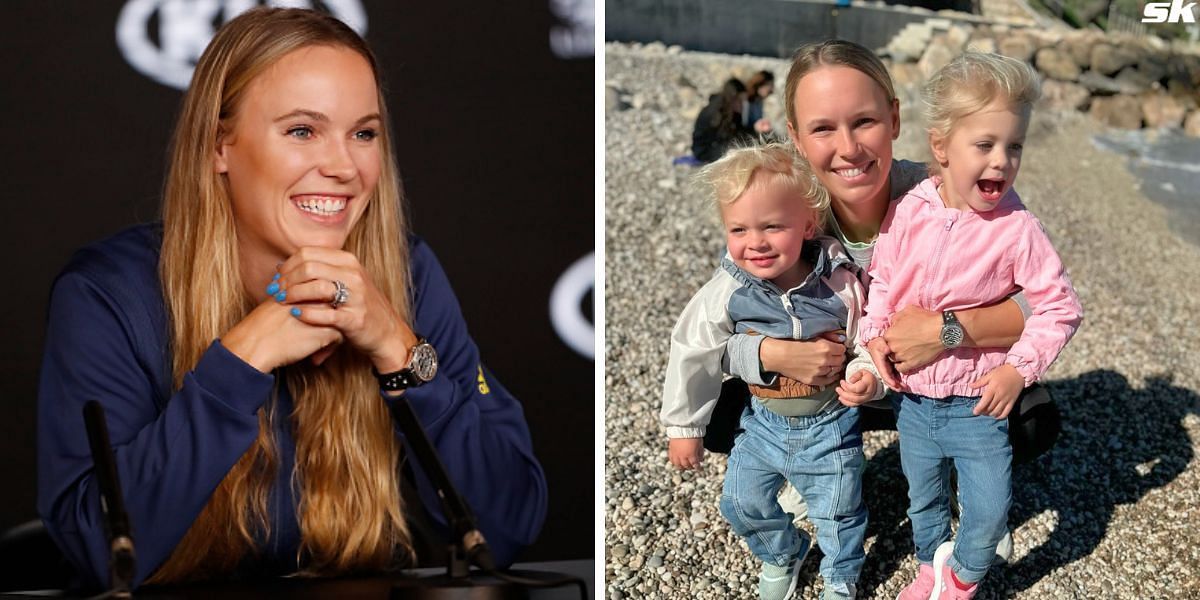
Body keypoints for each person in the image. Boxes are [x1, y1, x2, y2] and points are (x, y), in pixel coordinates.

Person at [36, 7, 546, 590]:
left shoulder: (406, 276)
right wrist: (241, 359)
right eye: (302, 130)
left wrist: (398, 349)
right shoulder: (107, 293)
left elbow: (507, 529)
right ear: (218, 147)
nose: (344, 166)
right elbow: (100, 552)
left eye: (364, 133)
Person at [718, 41, 1062, 548]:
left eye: (864, 122)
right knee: (720, 409)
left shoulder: (949, 192)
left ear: (895, 119)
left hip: (933, 378)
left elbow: (1041, 300)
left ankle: (964, 477)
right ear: (794, 137)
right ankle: (804, 464)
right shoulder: (778, 211)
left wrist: (946, 331)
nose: (849, 147)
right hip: (834, 381)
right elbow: (720, 327)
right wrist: (774, 352)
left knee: (1033, 419)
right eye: (822, 128)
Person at [860, 52, 1082, 600]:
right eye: (985, 146)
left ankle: (962, 576)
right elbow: (885, 282)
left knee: (987, 508)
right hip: (912, 401)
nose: (1002, 162)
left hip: (979, 403)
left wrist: (1019, 370)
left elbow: (1059, 307)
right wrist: (873, 339)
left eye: (1014, 148)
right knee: (923, 499)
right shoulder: (910, 209)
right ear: (942, 147)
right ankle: (929, 568)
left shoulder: (1017, 227)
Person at [660, 142, 884, 600]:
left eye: (772, 227)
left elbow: (867, 336)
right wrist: (685, 424)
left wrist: (866, 373)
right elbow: (694, 348)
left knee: (838, 512)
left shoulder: (837, 283)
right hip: (762, 423)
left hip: (829, 424)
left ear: (807, 225)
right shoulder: (730, 288)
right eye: (738, 228)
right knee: (741, 502)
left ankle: (841, 577)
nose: (755, 242)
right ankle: (783, 552)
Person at [691, 78, 758, 163]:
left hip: (722, 146)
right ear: (733, 98)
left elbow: (739, 131)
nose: (742, 104)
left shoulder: (733, 110)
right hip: (705, 150)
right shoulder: (714, 112)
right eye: (740, 100)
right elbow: (713, 140)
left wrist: (755, 129)